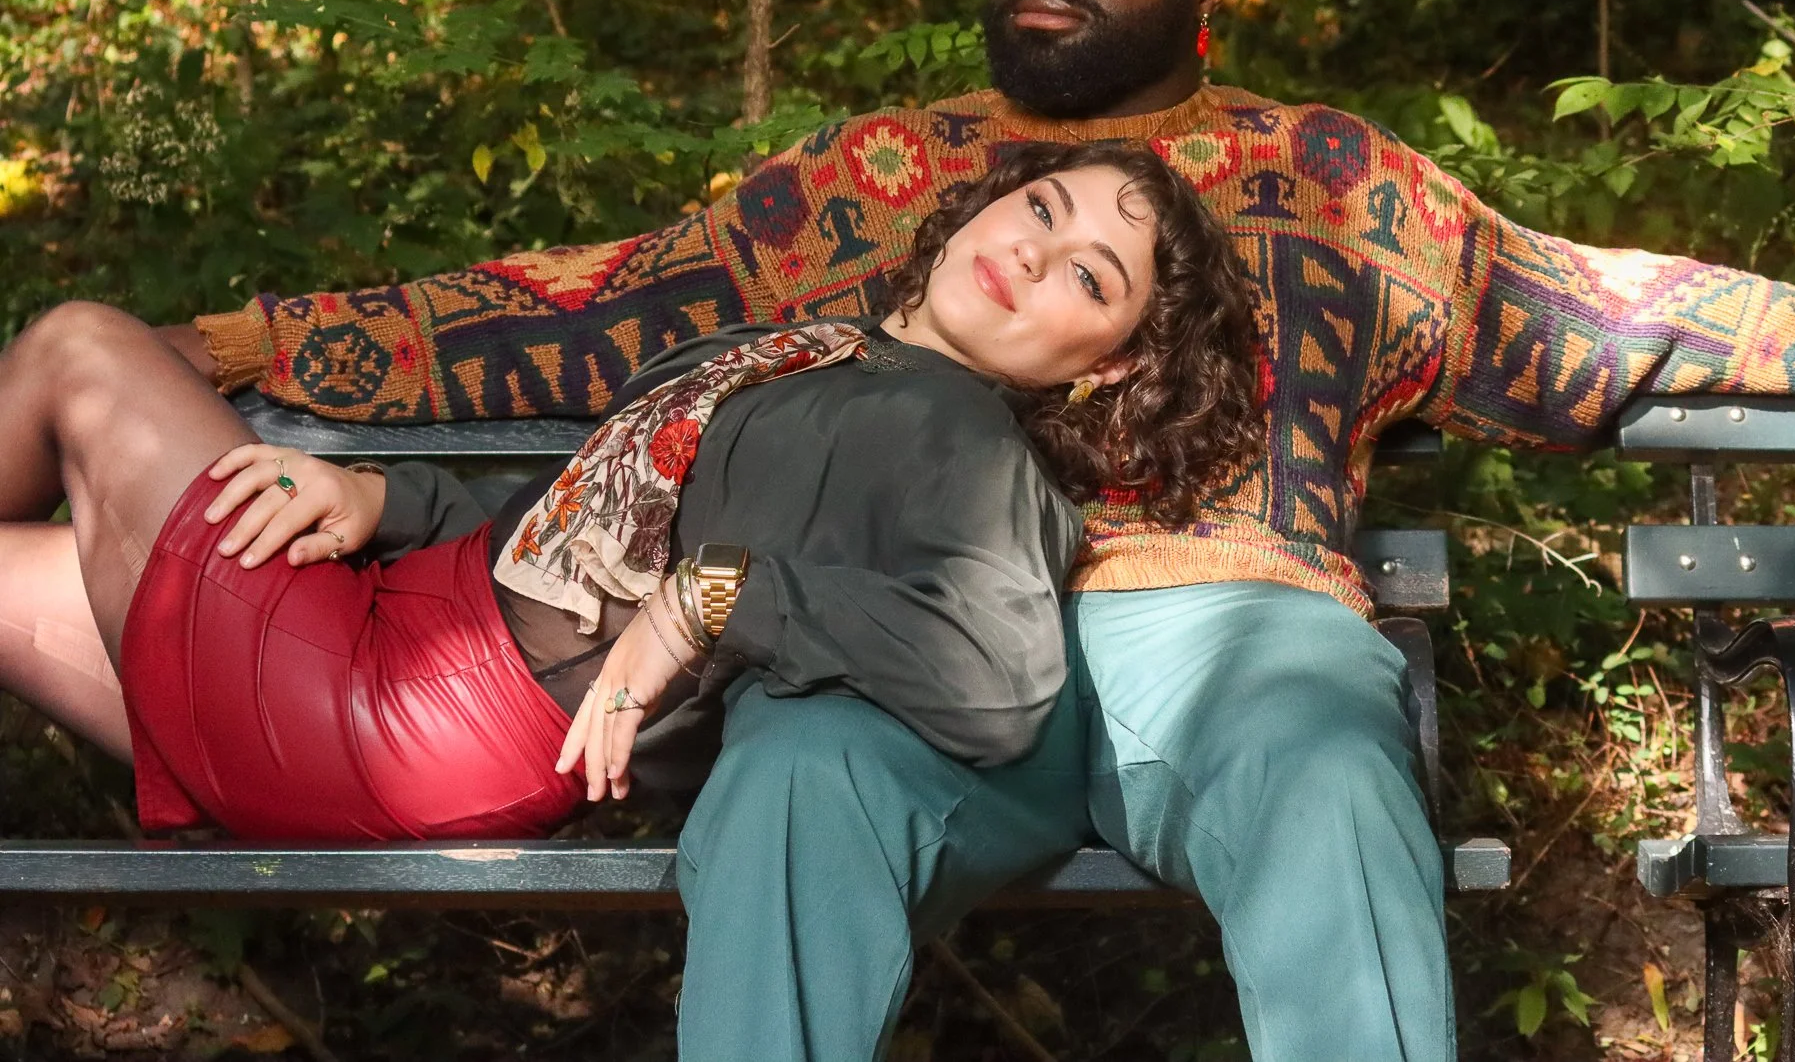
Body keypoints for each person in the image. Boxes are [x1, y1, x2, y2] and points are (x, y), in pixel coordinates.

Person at [148, 0, 1795, 1060]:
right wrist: (263, 338)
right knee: (791, 791)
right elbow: (598, 307)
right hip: (899, 653)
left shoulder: (1331, 179)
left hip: (1214, 638)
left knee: (1326, 761)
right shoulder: (887, 180)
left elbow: (1603, 303)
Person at [0, 139, 1259, 854]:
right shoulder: (840, 354)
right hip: (397, 646)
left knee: (78, 347)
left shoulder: (953, 436)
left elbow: (998, 680)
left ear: (1110, 365)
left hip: (412, 726)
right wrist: (376, 495)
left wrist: (706, 603)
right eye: (1041, 206)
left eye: (1088, 278)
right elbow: (588, 513)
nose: (1034, 249)